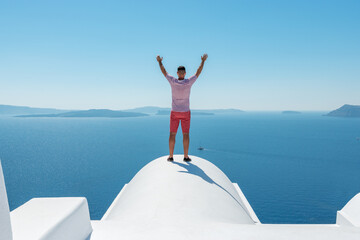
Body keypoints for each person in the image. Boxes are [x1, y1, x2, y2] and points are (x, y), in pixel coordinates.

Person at [156, 54, 208, 162]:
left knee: (172, 134)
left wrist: (159, 62)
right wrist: (203, 61)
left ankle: (171, 156)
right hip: (185, 112)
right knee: (186, 134)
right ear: (184, 73)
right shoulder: (188, 82)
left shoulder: (173, 81)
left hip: (174, 112)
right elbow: (198, 72)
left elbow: (164, 71)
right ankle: (186, 156)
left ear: (177, 73)